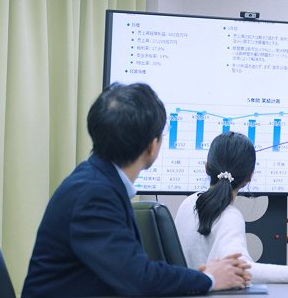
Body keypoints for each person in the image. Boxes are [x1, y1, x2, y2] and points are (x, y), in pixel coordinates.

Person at [22, 83, 251, 298]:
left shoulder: (93, 180)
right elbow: (138, 278)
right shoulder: (95, 195)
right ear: (152, 145)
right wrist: (209, 278)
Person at [175, 131, 288, 284]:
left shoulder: (188, 203)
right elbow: (242, 269)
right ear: (249, 177)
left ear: (206, 168)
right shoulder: (229, 216)